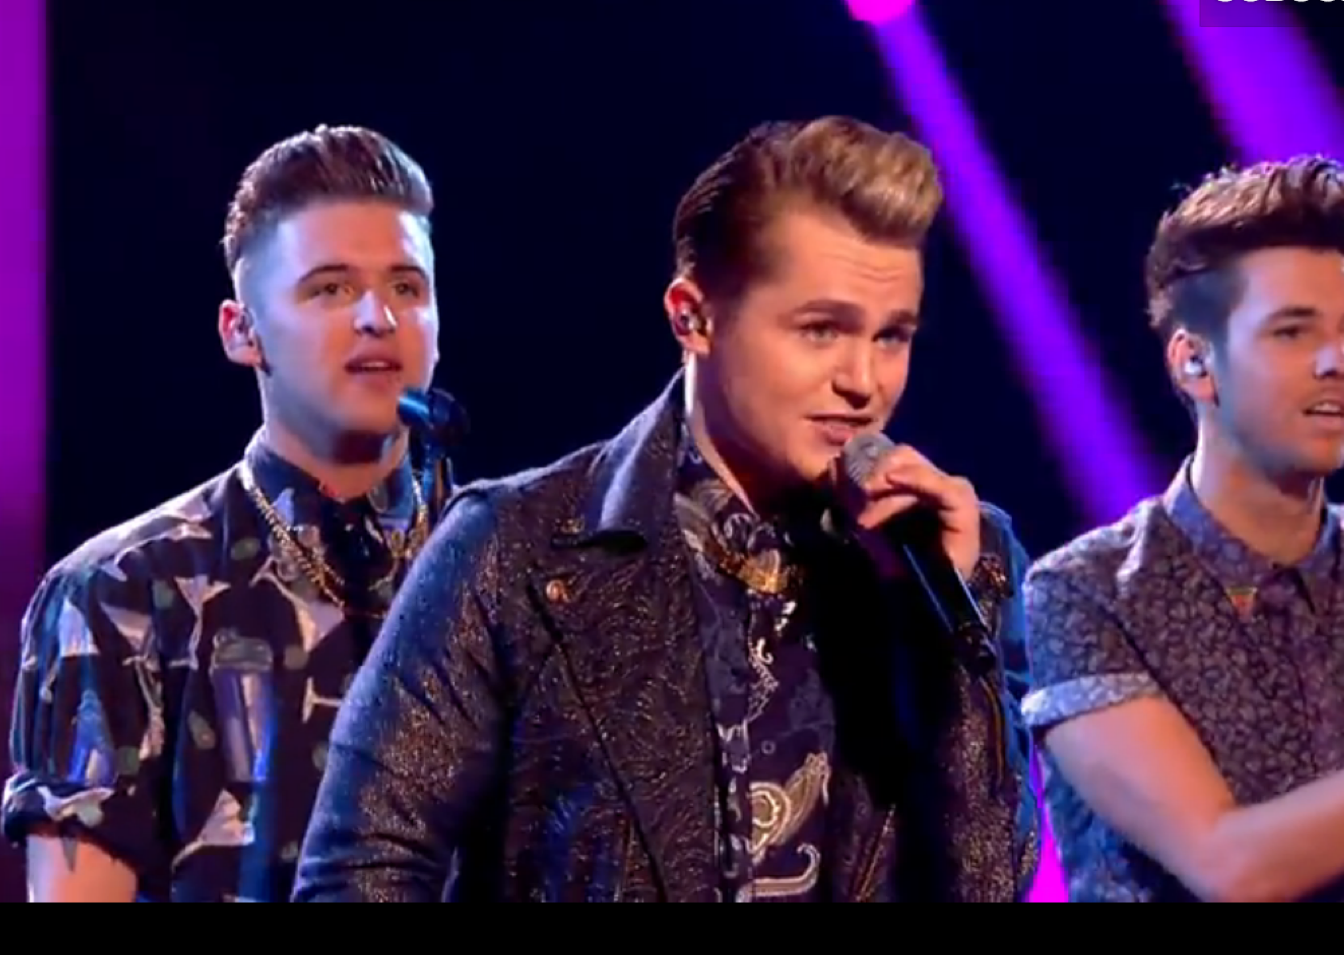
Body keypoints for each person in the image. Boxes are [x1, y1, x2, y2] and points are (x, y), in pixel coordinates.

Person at [291, 116, 1041, 902]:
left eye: (891, 337)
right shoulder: (516, 548)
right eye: (821, 330)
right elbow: (362, 870)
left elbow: (989, 883)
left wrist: (948, 627)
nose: (863, 380)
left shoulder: (954, 558)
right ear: (694, 317)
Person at [1022, 155, 1344, 902]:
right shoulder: (1087, 592)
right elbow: (1229, 867)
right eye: (1293, 332)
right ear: (1195, 363)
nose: (1339, 362)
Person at [1, 124, 457, 902]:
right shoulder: (122, 589)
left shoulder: (515, 572)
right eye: (331, 288)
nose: (378, 317)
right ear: (242, 331)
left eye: (407, 288)